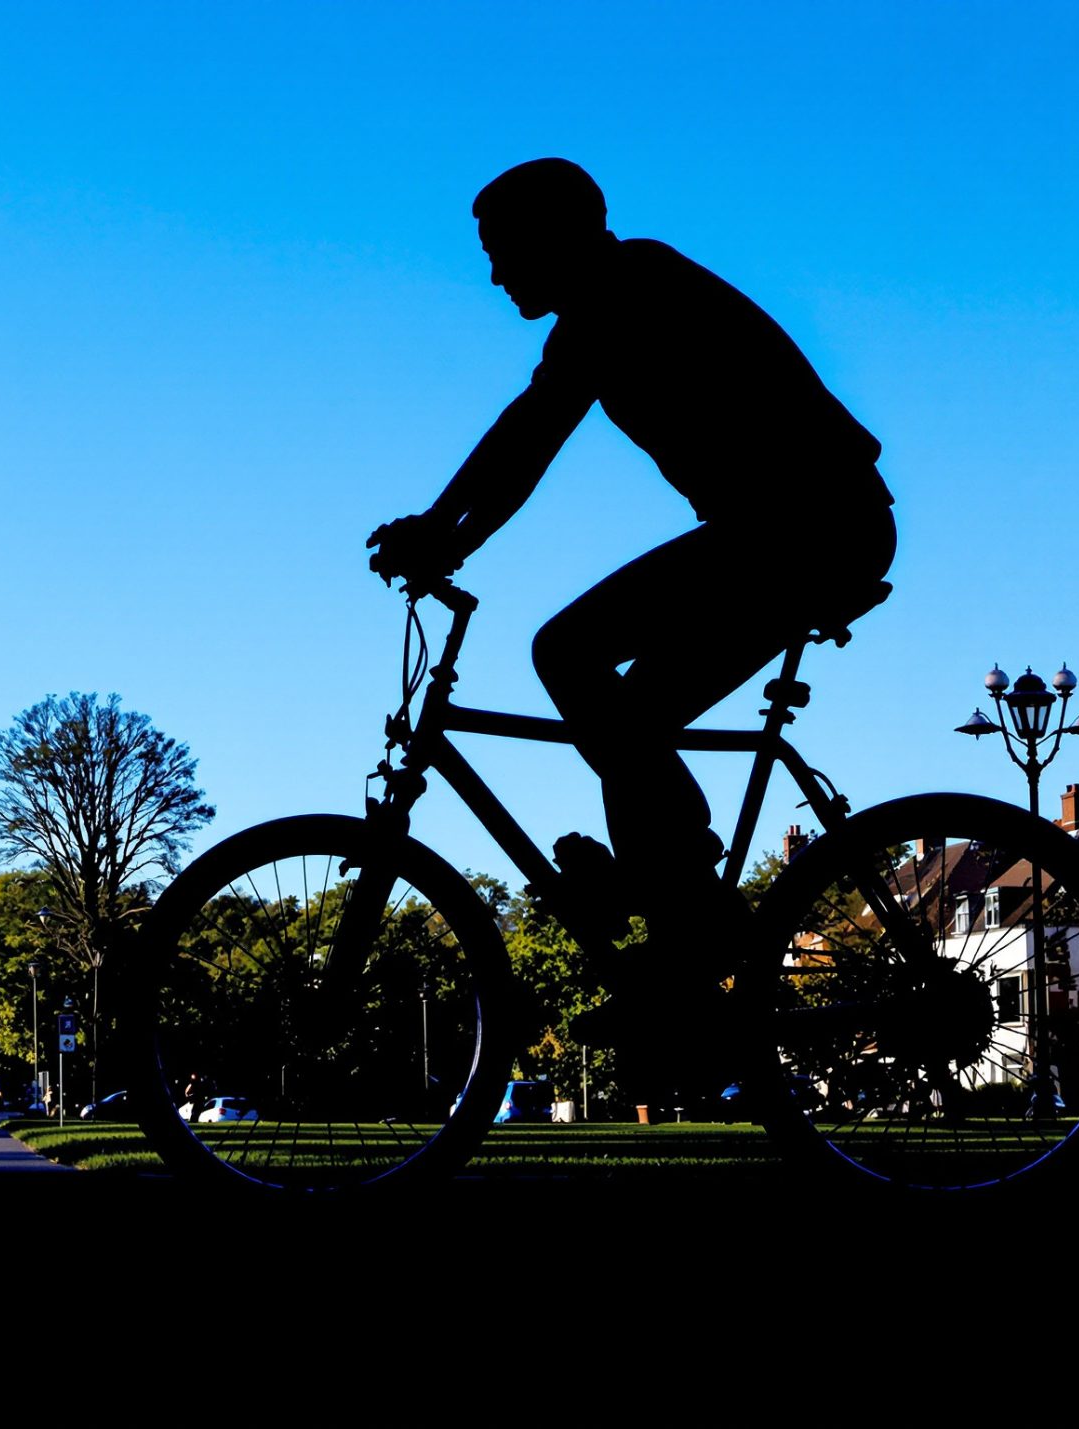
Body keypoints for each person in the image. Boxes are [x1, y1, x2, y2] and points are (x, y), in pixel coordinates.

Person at [368, 158, 896, 1057]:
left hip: (810, 526)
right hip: (790, 528)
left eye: (502, 252)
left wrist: (440, 531)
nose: (494, 276)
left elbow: (529, 435)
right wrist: (444, 533)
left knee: (570, 653)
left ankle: (690, 912)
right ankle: (682, 933)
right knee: (626, 720)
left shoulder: (625, 288)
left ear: (555, 238)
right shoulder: (608, 298)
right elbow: (525, 436)